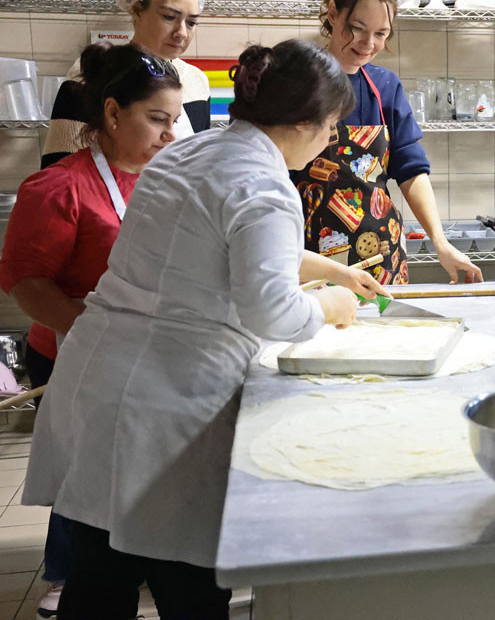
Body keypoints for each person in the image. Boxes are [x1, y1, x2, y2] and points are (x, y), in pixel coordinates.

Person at [20, 39, 366, 619]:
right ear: (304, 123)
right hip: (169, 402)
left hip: (100, 376)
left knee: (99, 579)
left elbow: (203, 256)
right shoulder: (265, 184)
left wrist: (316, 273)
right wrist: (327, 305)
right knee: (189, 592)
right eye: (330, 127)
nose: (330, 139)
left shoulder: (188, 152)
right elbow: (270, 311)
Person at [0, 43, 182, 618]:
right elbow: (27, 285)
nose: (168, 135)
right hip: (79, 362)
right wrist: (97, 326)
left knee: (144, 494)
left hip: (149, 362)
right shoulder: (56, 189)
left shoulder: (168, 181)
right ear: (110, 114)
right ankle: (87, 582)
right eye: (156, 120)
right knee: (95, 506)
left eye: (173, 121)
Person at [296, 0, 480, 286]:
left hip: (380, 258)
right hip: (309, 257)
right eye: (357, 29)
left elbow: (410, 168)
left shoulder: (384, 86)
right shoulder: (297, 81)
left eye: (381, 34)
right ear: (333, 14)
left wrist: (440, 241)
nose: (368, 44)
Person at [43, 0, 210, 168]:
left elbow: (199, 161)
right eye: (169, 17)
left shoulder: (197, 82)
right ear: (137, 9)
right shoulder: (95, 73)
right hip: (106, 200)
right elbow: (58, 168)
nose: (182, 33)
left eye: (191, 22)